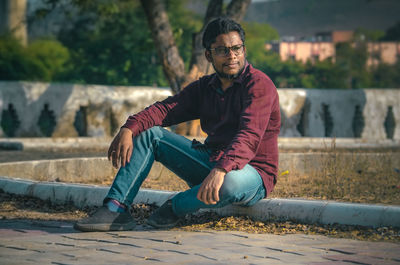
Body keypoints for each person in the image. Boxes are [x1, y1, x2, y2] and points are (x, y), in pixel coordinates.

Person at [74, 17, 281, 232]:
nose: (232, 56)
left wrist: (221, 170)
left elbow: (249, 136)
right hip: (212, 163)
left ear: (244, 50)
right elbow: (165, 110)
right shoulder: (205, 87)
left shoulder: (259, 85)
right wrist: (129, 127)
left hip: (252, 173)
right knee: (150, 134)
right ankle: (115, 209)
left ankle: (175, 207)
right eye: (222, 50)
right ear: (208, 55)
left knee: (231, 183)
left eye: (237, 48)